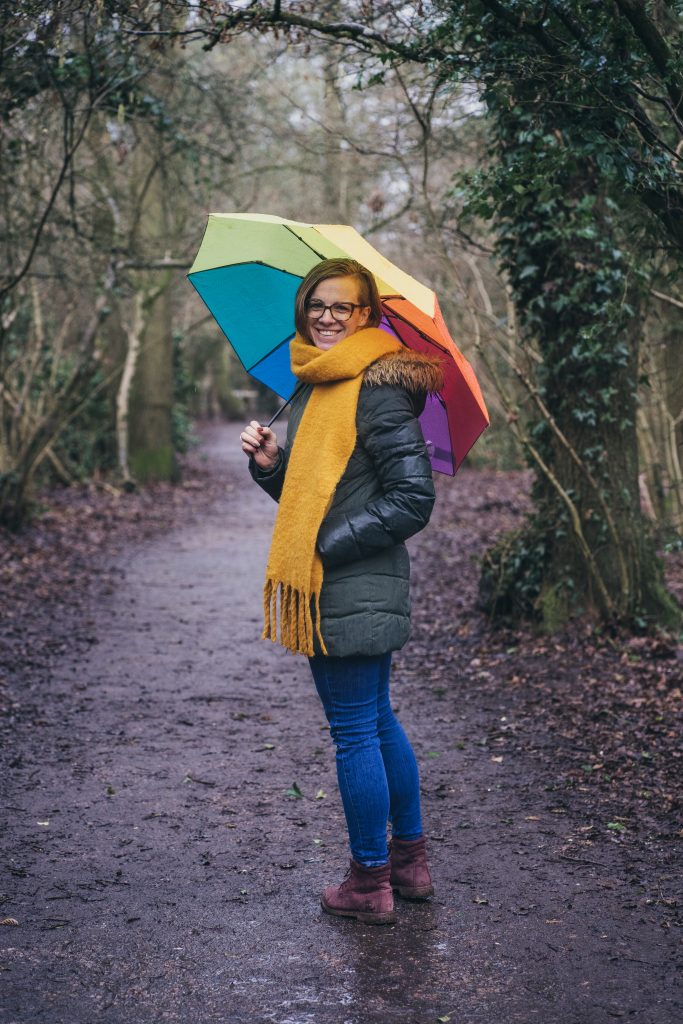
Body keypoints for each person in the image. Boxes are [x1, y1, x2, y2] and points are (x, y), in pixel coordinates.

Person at [240, 257, 443, 925]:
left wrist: (324, 548)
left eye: (343, 307)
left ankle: (368, 882)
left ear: (367, 315)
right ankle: (408, 865)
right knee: (376, 720)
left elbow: (412, 498)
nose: (327, 317)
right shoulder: (321, 385)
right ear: (304, 310)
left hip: (349, 579)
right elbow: (321, 492)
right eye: (317, 305)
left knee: (354, 730)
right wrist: (271, 466)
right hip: (345, 578)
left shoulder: (374, 389)